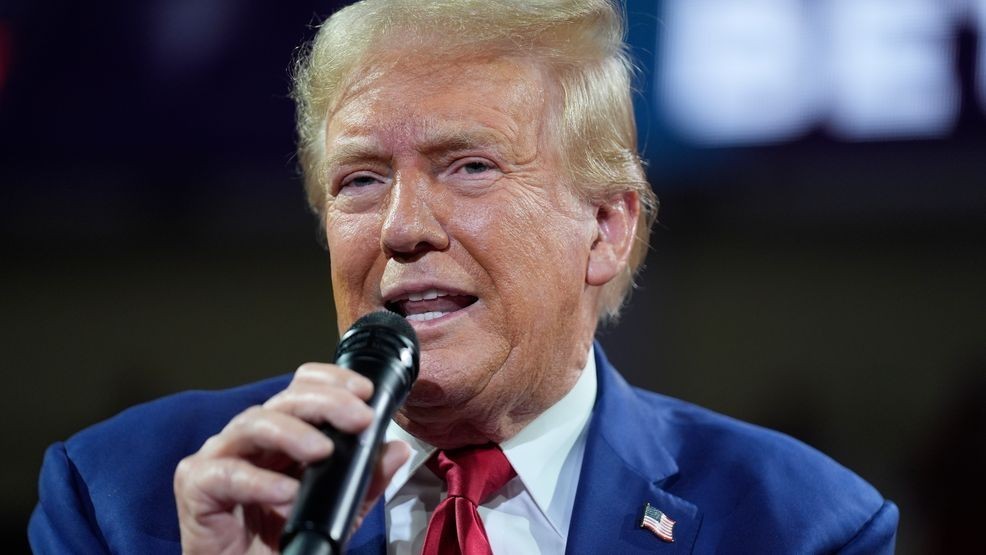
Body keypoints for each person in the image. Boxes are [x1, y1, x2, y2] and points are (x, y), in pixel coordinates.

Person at [29, 0, 899, 553]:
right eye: (361, 179)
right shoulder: (119, 499)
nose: (403, 228)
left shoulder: (800, 527)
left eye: (469, 166)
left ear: (605, 226)